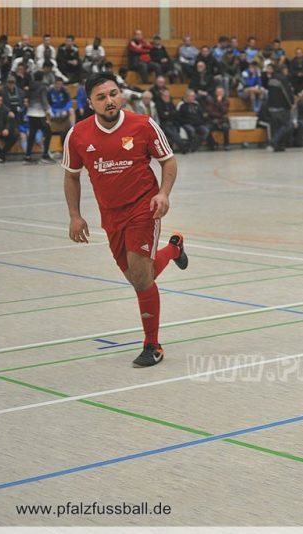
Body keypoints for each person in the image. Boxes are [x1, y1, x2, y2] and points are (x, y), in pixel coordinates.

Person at [61, 71, 188, 368]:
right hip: (110, 215)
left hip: (144, 208)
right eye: (101, 97)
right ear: (90, 103)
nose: (109, 101)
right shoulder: (77, 135)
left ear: (121, 95)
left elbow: (168, 161)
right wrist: (75, 216)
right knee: (137, 277)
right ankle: (174, 249)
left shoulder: (143, 125)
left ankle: (152, 345)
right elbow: (71, 176)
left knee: (142, 279)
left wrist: (163, 194)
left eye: (113, 94)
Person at [0, 94, 19, 163]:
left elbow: (9, 120)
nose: (0, 102)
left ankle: (1, 155)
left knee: (15, 135)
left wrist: (7, 129)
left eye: (1, 101)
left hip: (3, 130)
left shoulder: (4, 108)